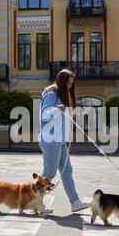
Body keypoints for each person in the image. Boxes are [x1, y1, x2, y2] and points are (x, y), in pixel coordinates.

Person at [38, 69, 92, 213]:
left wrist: (67, 139)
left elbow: (65, 120)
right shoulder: (52, 92)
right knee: (49, 174)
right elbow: (44, 114)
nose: (69, 86)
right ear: (61, 81)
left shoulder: (63, 94)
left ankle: (75, 202)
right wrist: (56, 109)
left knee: (67, 171)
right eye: (68, 83)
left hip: (60, 140)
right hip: (50, 141)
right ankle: (37, 203)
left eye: (71, 83)